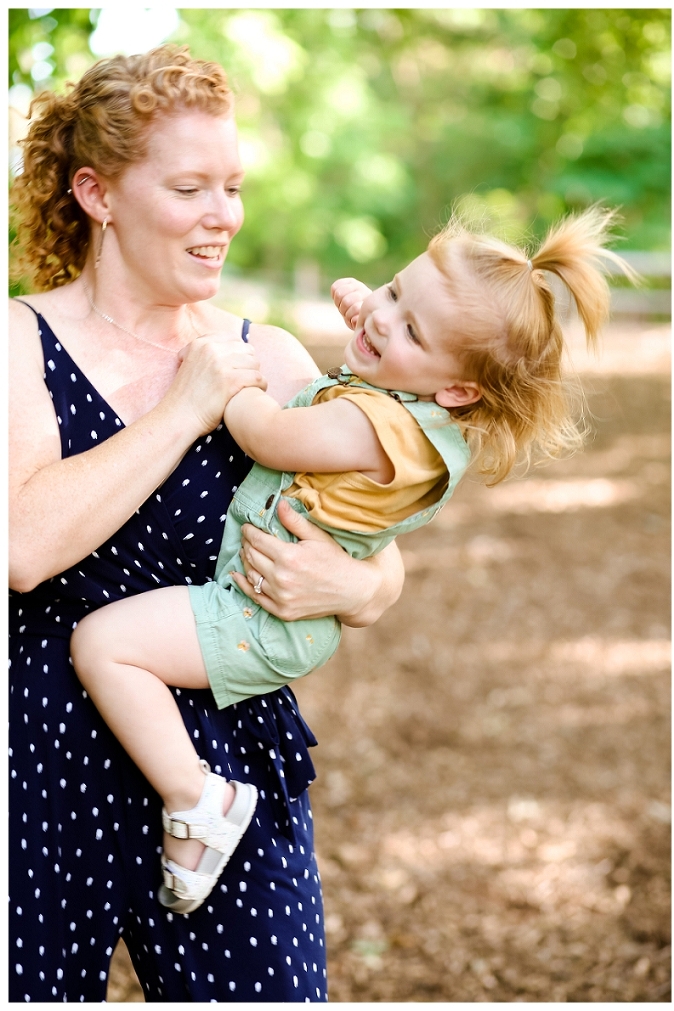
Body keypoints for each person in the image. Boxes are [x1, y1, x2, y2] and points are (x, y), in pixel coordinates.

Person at [70, 205, 632, 915]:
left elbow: (272, 436)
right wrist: (375, 313)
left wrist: (220, 387)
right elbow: (390, 330)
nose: (381, 317)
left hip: (259, 613)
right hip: (272, 600)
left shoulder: (373, 426)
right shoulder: (416, 406)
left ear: (457, 389)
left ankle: (199, 798)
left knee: (104, 646)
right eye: (396, 289)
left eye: (411, 327)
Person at [8, 44, 406, 1003]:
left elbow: (373, 537)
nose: (223, 216)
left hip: (230, 752)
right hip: (39, 759)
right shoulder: (20, 339)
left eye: (232, 186)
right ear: (98, 194)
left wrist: (358, 587)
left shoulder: (263, 351)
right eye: (190, 188)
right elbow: (21, 548)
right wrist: (182, 410)